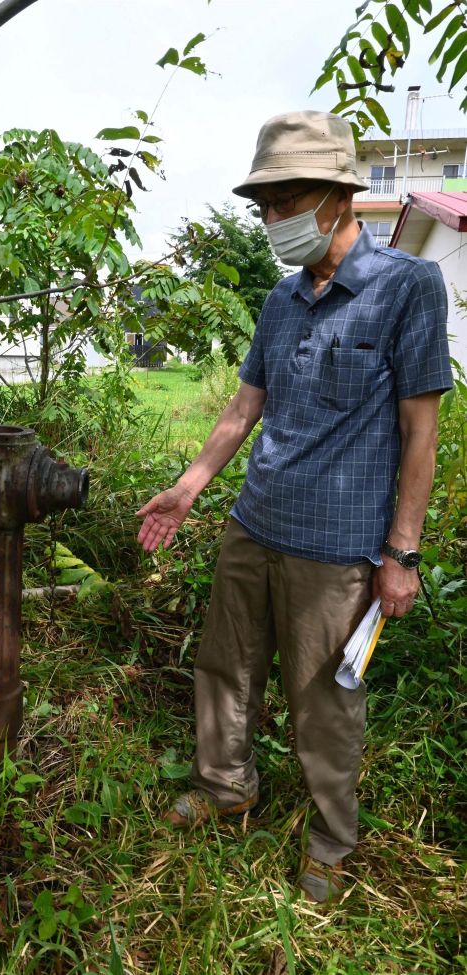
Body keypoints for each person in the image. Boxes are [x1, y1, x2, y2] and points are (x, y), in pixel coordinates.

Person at [136, 111, 453, 903]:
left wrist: (401, 554)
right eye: (265, 205)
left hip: (337, 546)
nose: (275, 218)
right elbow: (243, 409)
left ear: (341, 196)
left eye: (288, 199)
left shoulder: (405, 288)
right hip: (255, 523)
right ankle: (225, 785)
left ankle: (331, 839)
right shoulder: (281, 301)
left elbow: (421, 432)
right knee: (224, 667)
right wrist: (189, 486)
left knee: (324, 701)